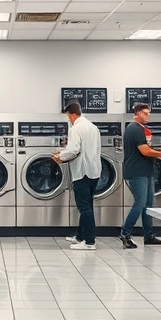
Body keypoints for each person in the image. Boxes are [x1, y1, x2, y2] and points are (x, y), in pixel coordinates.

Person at [119, 103, 161, 249]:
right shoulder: (134, 128)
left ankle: (149, 236)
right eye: (145, 113)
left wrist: (159, 153)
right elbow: (145, 151)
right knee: (140, 203)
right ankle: (125, 233)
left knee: (148, 205)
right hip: (136, 172)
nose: (147, 116)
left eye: (148, 113)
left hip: (145, 171)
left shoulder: (140, 129)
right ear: (137, 113)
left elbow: (147, 149)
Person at [54, 102, 102, 250]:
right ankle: (81, 236)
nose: (68, 119)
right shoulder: (93, 128)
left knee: (84, 208)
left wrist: (59, 157)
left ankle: (89, 242)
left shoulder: (76, 128)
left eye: (68, 116)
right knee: (88, 205)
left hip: (82, 172)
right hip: (94, 171)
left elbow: (74, 150)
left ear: (71, 114)